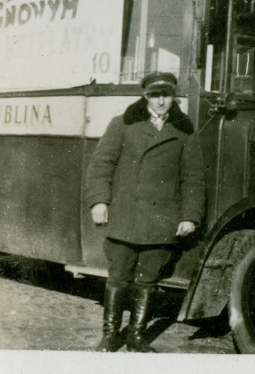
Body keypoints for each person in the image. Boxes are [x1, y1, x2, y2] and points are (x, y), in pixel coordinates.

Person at [85, 71, 206, 353]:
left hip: (161, 219)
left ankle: (136, 336)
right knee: (118, 277)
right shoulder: (123, 124)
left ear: (173, 96)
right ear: (145, 96)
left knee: (148, 280)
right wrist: (99, 202)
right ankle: (110, 336)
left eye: (166, 95)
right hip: (125, 217)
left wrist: (190, 215)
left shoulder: (185, 130)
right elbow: (101, 165)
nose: (161, 101)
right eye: (155, 95)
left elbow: (193, 178)